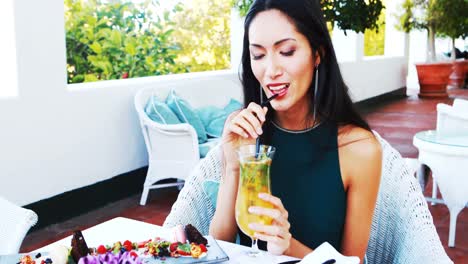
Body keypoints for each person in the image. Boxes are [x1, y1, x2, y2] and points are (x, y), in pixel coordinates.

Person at [209, 0, 382, 261]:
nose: (271, 71)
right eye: (258, 55)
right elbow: (219, 246)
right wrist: (234, 167)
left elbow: (350, 262)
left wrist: (288, 246)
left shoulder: (359, 149)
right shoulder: (245, 131)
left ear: (317, 54)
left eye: (287, 51)